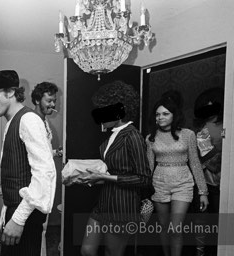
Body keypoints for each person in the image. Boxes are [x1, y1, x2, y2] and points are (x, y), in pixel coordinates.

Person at [0, 70, 57, 256]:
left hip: (25, 213)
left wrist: (19, 219)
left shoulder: (28, 120)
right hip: (16, 207)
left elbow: (45, 173)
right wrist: (7, 186)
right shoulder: (13, 121)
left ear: (11, 92)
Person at [79, 81, 152, 256]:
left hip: (122, 206)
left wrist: (105, 177)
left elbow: (144, 178)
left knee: (112, 253)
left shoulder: (133, 136)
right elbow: (111, 168)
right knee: (87, 250)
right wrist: (94, 176)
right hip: (103, 202)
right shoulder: (111, 135)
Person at [146, 94, 209, 256]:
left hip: (183, 183)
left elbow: (195, 163)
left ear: (175, 115)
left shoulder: (188, 134)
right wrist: (144, 190)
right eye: (158, 114)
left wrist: (203, 192)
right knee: (163, 226)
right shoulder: (150, 138)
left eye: (165, 113)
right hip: (159, 183)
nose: (160, 117)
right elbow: (149, 166)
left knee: (175, 228)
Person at [31, 81, 62, 256]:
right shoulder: (33, 122)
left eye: (54, 101)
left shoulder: (44, 122)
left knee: (41, 227)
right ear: (37, 100)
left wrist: (56, 152)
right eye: (49, 100)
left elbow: (42, 150)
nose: (53, 104)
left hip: (46, 183)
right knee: (36, 228)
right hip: (36, 183)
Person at [192, 87, 224, 256]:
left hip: (225, 181)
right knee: (206, 220)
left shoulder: (228, 123)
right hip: (209, 182)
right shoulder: (201, 130)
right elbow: (210, 162)